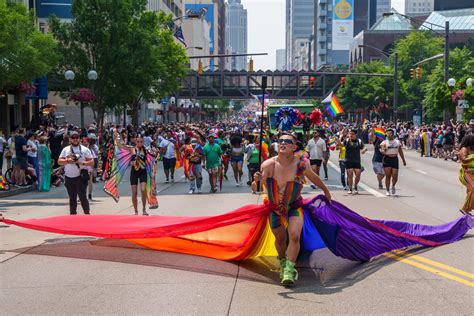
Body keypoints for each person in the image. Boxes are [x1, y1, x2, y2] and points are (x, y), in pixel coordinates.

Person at [252, 132, 332, 286]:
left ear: (294, 147)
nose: (283, 143)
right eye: (280, 141)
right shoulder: (268, 164)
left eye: (287, 141)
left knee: (294, 236)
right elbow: (256, 187)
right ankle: (282, 262)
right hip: (274, 208)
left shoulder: (301, 164)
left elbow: (314, 177)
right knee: (280, 239)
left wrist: (326, 190)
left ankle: (289, 269)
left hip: (294, 205)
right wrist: (255, 181)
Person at [58, 131, 94, 215]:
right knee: (72, 198)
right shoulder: (66, 149)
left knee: (82, 197)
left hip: (80, 177)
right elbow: (59, 161)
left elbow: (92, 162)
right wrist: (67, 160)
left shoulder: (85, 150)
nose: (75, 139)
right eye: (73, 138)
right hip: (69, 177)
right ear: (70, 139)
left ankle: (87, 215)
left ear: (79, 139)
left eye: (76, 137)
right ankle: (73, 217)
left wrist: (81, 163)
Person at [380, 129, 407, 196]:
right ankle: (387, 190)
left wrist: (403, 160)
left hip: (394, 159)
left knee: (395, 176)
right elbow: (382, 151)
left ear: (393, 134)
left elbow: (400, 151)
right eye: (388, 133)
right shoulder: (384, 142)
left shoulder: (397, 142)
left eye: (390, 133)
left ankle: (393, 186)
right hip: (387, 159)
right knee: (388, 176)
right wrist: (384, 150)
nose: (389, 134)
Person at [341, 129, 367, 195]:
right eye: (350, 134)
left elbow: (364, 147)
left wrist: (364, 150)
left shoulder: (359, 141)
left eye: (352, 134)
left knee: (358, 175)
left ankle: (355, 186)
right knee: (350, 175)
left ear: (355, 135)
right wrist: (338, 141)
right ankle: (350, 188)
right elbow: (341, 145)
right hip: (348, 160)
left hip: (357, 161)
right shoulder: (346, 140)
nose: (351, 135)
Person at [458, 134, 474, 215]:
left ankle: (468, 209)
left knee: (471, 191)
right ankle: (465, 209)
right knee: (473, 188)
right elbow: (464, 160)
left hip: (472, 173)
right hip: (465, 173)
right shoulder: (464, 149)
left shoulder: (471, 149)